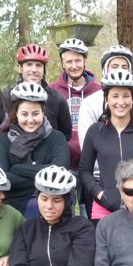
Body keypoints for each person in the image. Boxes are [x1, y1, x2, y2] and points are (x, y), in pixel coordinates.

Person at [79, 70, 133, 221]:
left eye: (126, 96)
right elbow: (84, 171)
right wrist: (100, 194)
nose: (121, 102)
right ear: (106, 98)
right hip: (105, 207)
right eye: (115, 96)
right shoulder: (95, 131)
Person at [0, 82, 69, 218]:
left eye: (35, 114)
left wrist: (18, 168)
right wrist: (44, 175)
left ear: (43, 112)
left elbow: (58, 172)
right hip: (13, 210)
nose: (30, 120)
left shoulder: (57, 138)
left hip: (52, 210)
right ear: (16, 114)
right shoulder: (3, 140)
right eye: (25, 114)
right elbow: (1, 178)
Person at [48, 38, 101, 170]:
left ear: (84, 62)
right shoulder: (52, 91)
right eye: (69, 62)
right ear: (63, 64)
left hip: (93, 163)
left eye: (78, 60)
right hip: (63, 163)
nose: (74, 65)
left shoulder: (99, 91)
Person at [4, 43, 71, 141]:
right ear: (20, 68)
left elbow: (65, 134)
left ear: (43, 71)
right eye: (29, 65)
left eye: (38, 65)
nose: (34, 70)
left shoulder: (57, 99)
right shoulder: (7, 96)